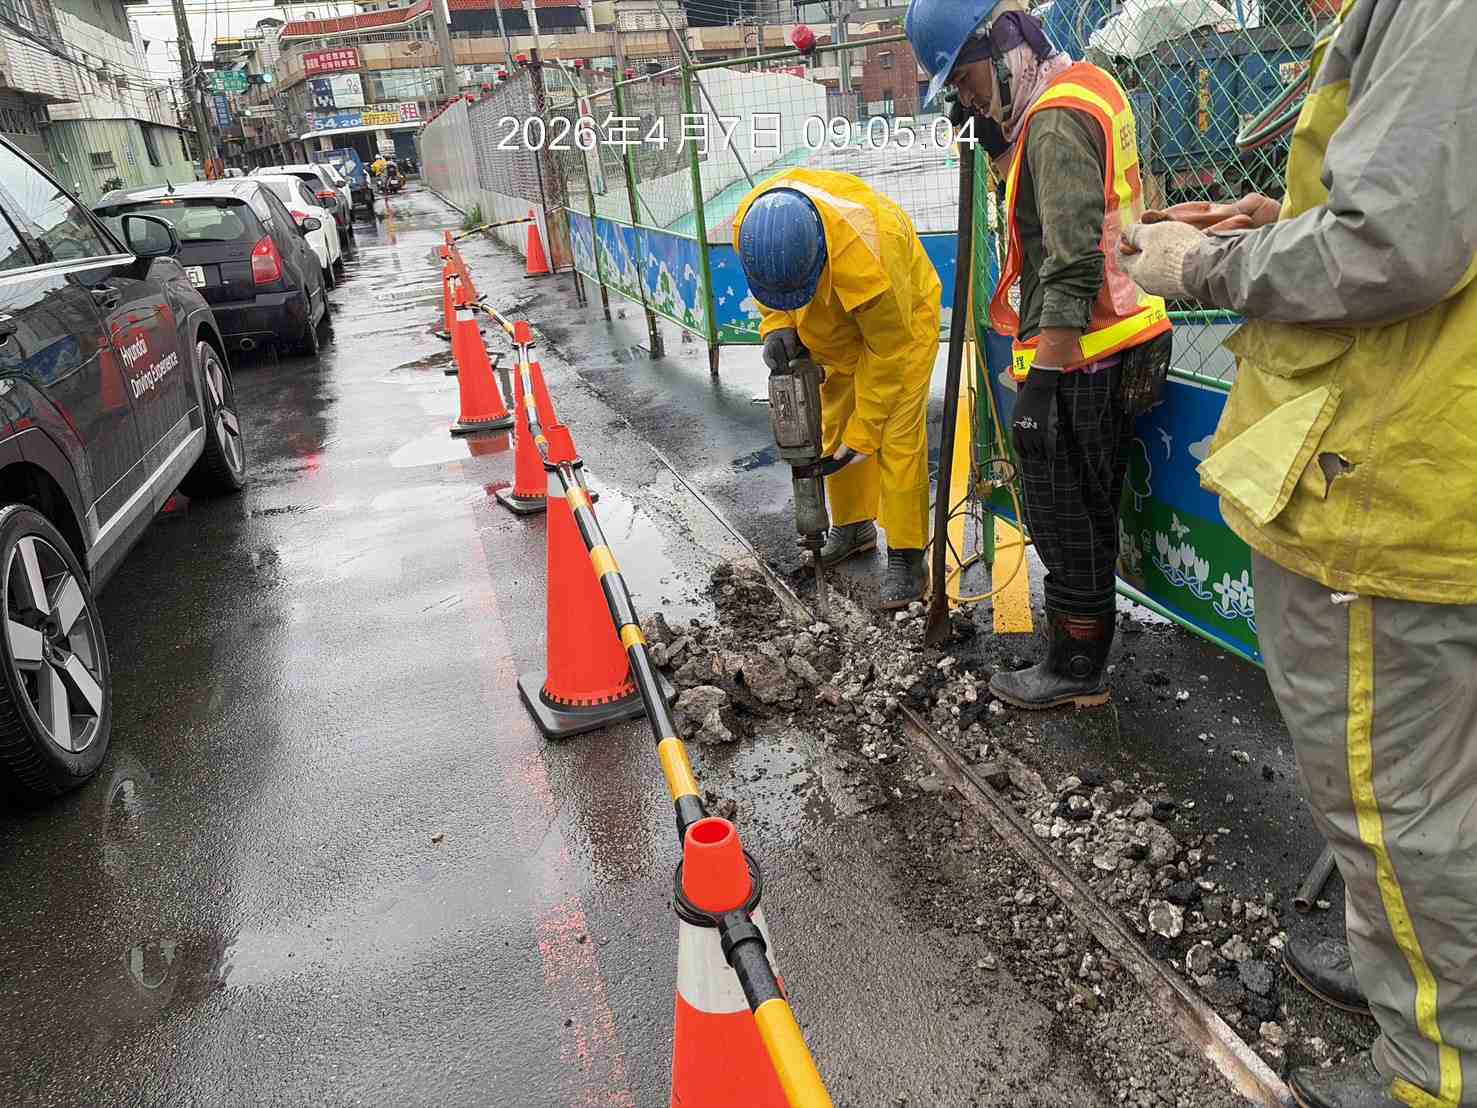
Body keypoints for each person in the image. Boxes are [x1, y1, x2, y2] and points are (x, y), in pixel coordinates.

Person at [1118, 2, 1477, 1105]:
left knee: (1394, 815)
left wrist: (1202, 265)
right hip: (1424, 466)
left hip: (1384, 483)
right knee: (1436, 798)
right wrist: (1286, 218)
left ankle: (1436, 1073)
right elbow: (1417, 208)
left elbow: (1390, 243)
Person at [907, 0, 1171, 709]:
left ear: (1001, 50)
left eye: (963, 79)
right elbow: (1052, 202)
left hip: (1082, 354)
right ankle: (1079, 653)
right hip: (1117, 339)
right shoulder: (1079, 86)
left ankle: (1075, 670)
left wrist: (1041, 383)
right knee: (1084, 507)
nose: (962, 94)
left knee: (1064, 514)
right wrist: (993, 141)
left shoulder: (1053, 122)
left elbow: (1070, 257)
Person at [732, 168, 941, 609]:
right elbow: (771, 288)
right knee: (834, 428)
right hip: (834, 326)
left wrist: (865, 435)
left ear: (821, 256)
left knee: (895, 438)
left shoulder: (870, 255)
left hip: (897, 327)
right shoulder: (758, 225)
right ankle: (854, 528)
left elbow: (888, 354)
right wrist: (777, 325)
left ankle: (908, 554)